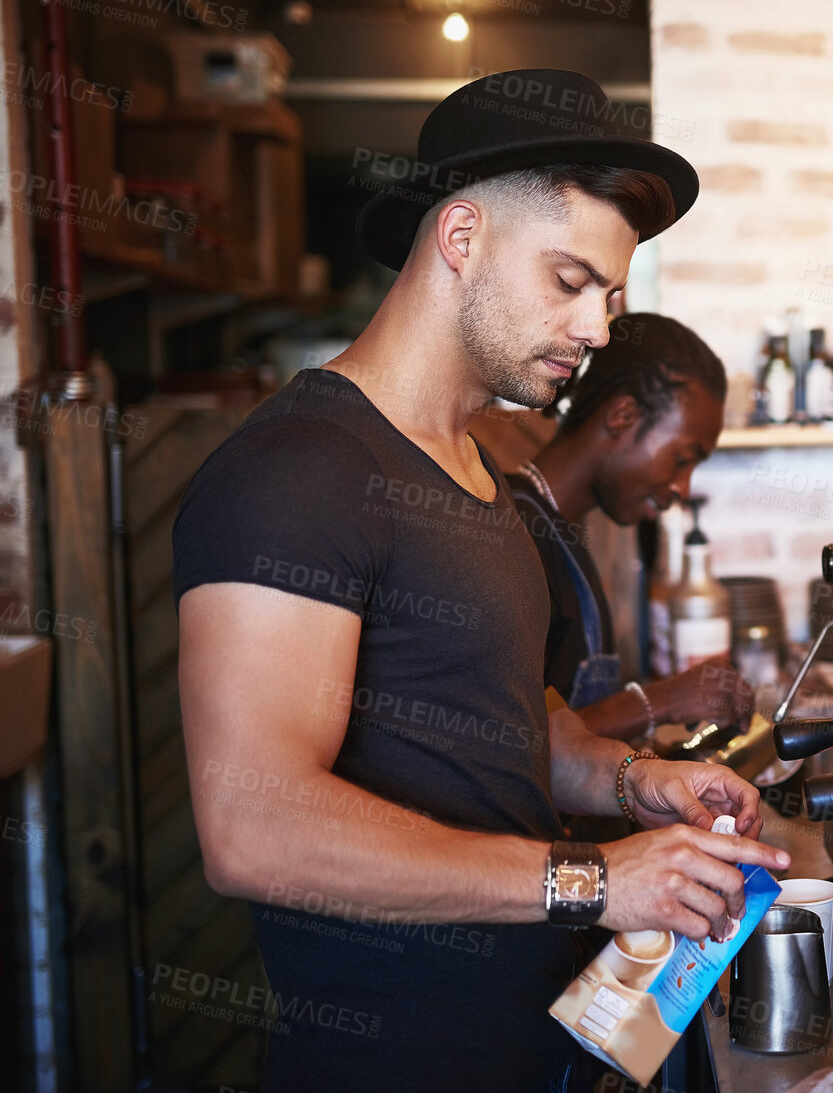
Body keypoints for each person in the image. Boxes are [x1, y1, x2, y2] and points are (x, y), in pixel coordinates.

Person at [171, 70, 789, 1093]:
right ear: (460, 238)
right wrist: (595, 881)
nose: (598, 329)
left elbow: (501, 720)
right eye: (569, 281)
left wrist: (637, 784)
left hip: (532, 1051)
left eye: (613, 297)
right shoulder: (301, 471)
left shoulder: (474, 475)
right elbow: (254, 825)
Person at [508, 311, 753, 741]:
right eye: (682, 458)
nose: (681, 487)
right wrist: (664, 700)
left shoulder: (561, 529)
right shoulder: (511, 535)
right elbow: (514, 745)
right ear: (622, 416)